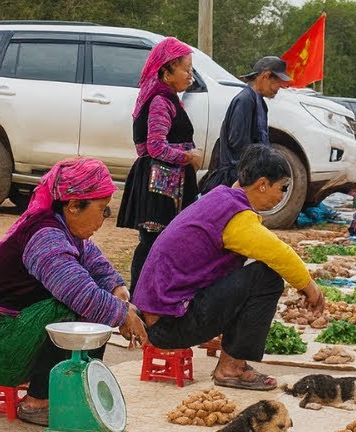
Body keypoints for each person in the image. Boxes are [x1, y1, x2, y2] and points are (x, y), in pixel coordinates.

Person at [0, 157, 147, 425]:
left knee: (91, 304)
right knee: (74, 309)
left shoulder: (66, 230)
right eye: (102, 209)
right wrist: (122, 314)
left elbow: (95, 263)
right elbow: (80, 293)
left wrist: (118, 290)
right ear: (74, 206)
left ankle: (70, 391)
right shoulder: (45, 236)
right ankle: (38, 401)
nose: (104, 218)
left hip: (12, 332)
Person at [133, 145, 325, 391]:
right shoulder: (235, 216)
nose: (282, 196)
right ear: (263, 184)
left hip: (161, 316)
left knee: (249, 270)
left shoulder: (221, 197)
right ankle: (232, 367)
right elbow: (280, 254)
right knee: (267, 278)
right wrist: (311, 288)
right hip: (168, 327)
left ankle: (231, 359)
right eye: (283, 188)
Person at [118, 37, 204, 294]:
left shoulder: (169, 99)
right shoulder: (159, 101)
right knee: (152, 242)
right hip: (160, 184)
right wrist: (187, 156)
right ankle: (140, 299)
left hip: (167, 182)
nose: (190, 75)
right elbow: (155, 147)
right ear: (166, 72)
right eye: (185, 69)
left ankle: (155, 295)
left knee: (163, 243)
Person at [199, 56, 291, 194]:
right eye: (278, 82)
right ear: (266, 76)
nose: (280, 87)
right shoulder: (245, 100)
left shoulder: (259, 102)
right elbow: (238, 143)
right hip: (233, 180)